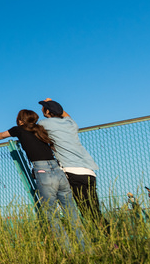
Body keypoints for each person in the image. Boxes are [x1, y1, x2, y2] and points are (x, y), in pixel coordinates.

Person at [0, 109, 87, 249]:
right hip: (58, 170)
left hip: (43, 171)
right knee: (71, 212)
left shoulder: (18, 130)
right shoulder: (41, 130)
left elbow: (1, 135)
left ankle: (68, 251)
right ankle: (86, 248)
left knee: (51, 215)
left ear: (20, 121)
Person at [38, 99, 108, 234]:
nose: (41, 110)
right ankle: (111, 239)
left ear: (48, 112)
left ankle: (109, 240)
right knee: (94, 210)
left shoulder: (44, 123)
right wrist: (53, 102)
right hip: (89, 171)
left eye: (43, 108)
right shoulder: (70, 123)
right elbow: (65, 114)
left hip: (71, 171)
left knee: (86, 212)